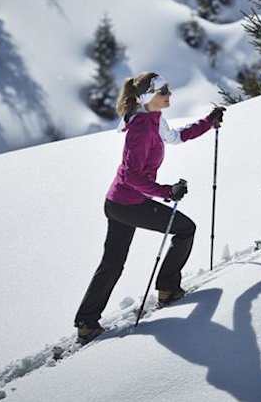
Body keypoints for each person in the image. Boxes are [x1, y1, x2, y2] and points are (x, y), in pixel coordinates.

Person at [73, 72, 225, 343]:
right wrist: (168, 192)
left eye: (168, 89)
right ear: (147, 97)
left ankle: (87, 321)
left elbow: (176, 137)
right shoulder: (141, 129)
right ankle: (167, 288)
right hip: (129, 203)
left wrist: (208, 122)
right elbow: (132, 176)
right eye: (163, 91)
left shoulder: (153, 119)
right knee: (186, 229)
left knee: (113, 263)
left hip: (119, 202)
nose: (169, 95)